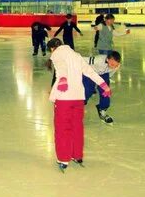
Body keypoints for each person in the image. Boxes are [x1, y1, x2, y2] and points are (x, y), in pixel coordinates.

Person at [46, 38, 111, 172]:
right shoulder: (76, 55)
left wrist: (63, 79)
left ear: (53, 48)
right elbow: (90, 71)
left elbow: (62, 68)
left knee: (63, 128)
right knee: (77, 127)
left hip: (64, 97)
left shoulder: (57, 53)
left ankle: (63, 158)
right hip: (78, 98)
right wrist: (103, 85)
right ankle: (77, 155)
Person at [83, 51, 122, 124]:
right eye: (112, 64)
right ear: (107, 59)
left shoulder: (116, 65)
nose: (114, 67)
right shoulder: (98, 59)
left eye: (116, 65)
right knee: (88, 90)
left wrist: (105, 82)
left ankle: (102, 109)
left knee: (106, 92)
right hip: (90, 73)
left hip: (103, 74)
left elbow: (111, 72)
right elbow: (82, 60)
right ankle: (80, 104)